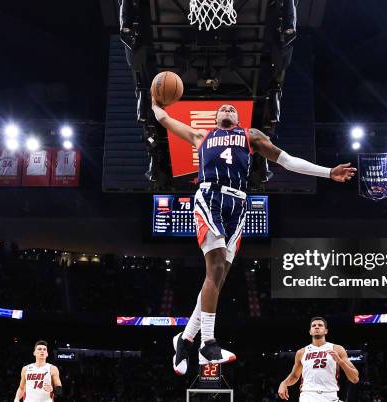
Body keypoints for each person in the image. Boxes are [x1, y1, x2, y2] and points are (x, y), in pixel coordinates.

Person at [152, 102, 356, 375]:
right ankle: (207, 343)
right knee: (213, 268)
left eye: (231, 108)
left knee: (219, 277)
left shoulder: (251, 136)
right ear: (215, 118)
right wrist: (155, 103)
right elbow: (165, 119)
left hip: (239, 204)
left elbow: (287, 160)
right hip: (209, 197)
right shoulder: (202, 136)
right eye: (222, 108)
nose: (226, 108)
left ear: (238, 118)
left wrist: (327, 172)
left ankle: (185, 338)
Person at [278, 317, 359, 401]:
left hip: (330, 395)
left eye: (320, 325)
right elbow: (294, 376)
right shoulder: (301, 352)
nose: (317, 327)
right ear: (310, 331)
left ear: (326, 331)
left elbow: (355, 378)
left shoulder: (337, 349)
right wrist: (284, 383)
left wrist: (340, 361)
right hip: (308, 395)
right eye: (313, 325)